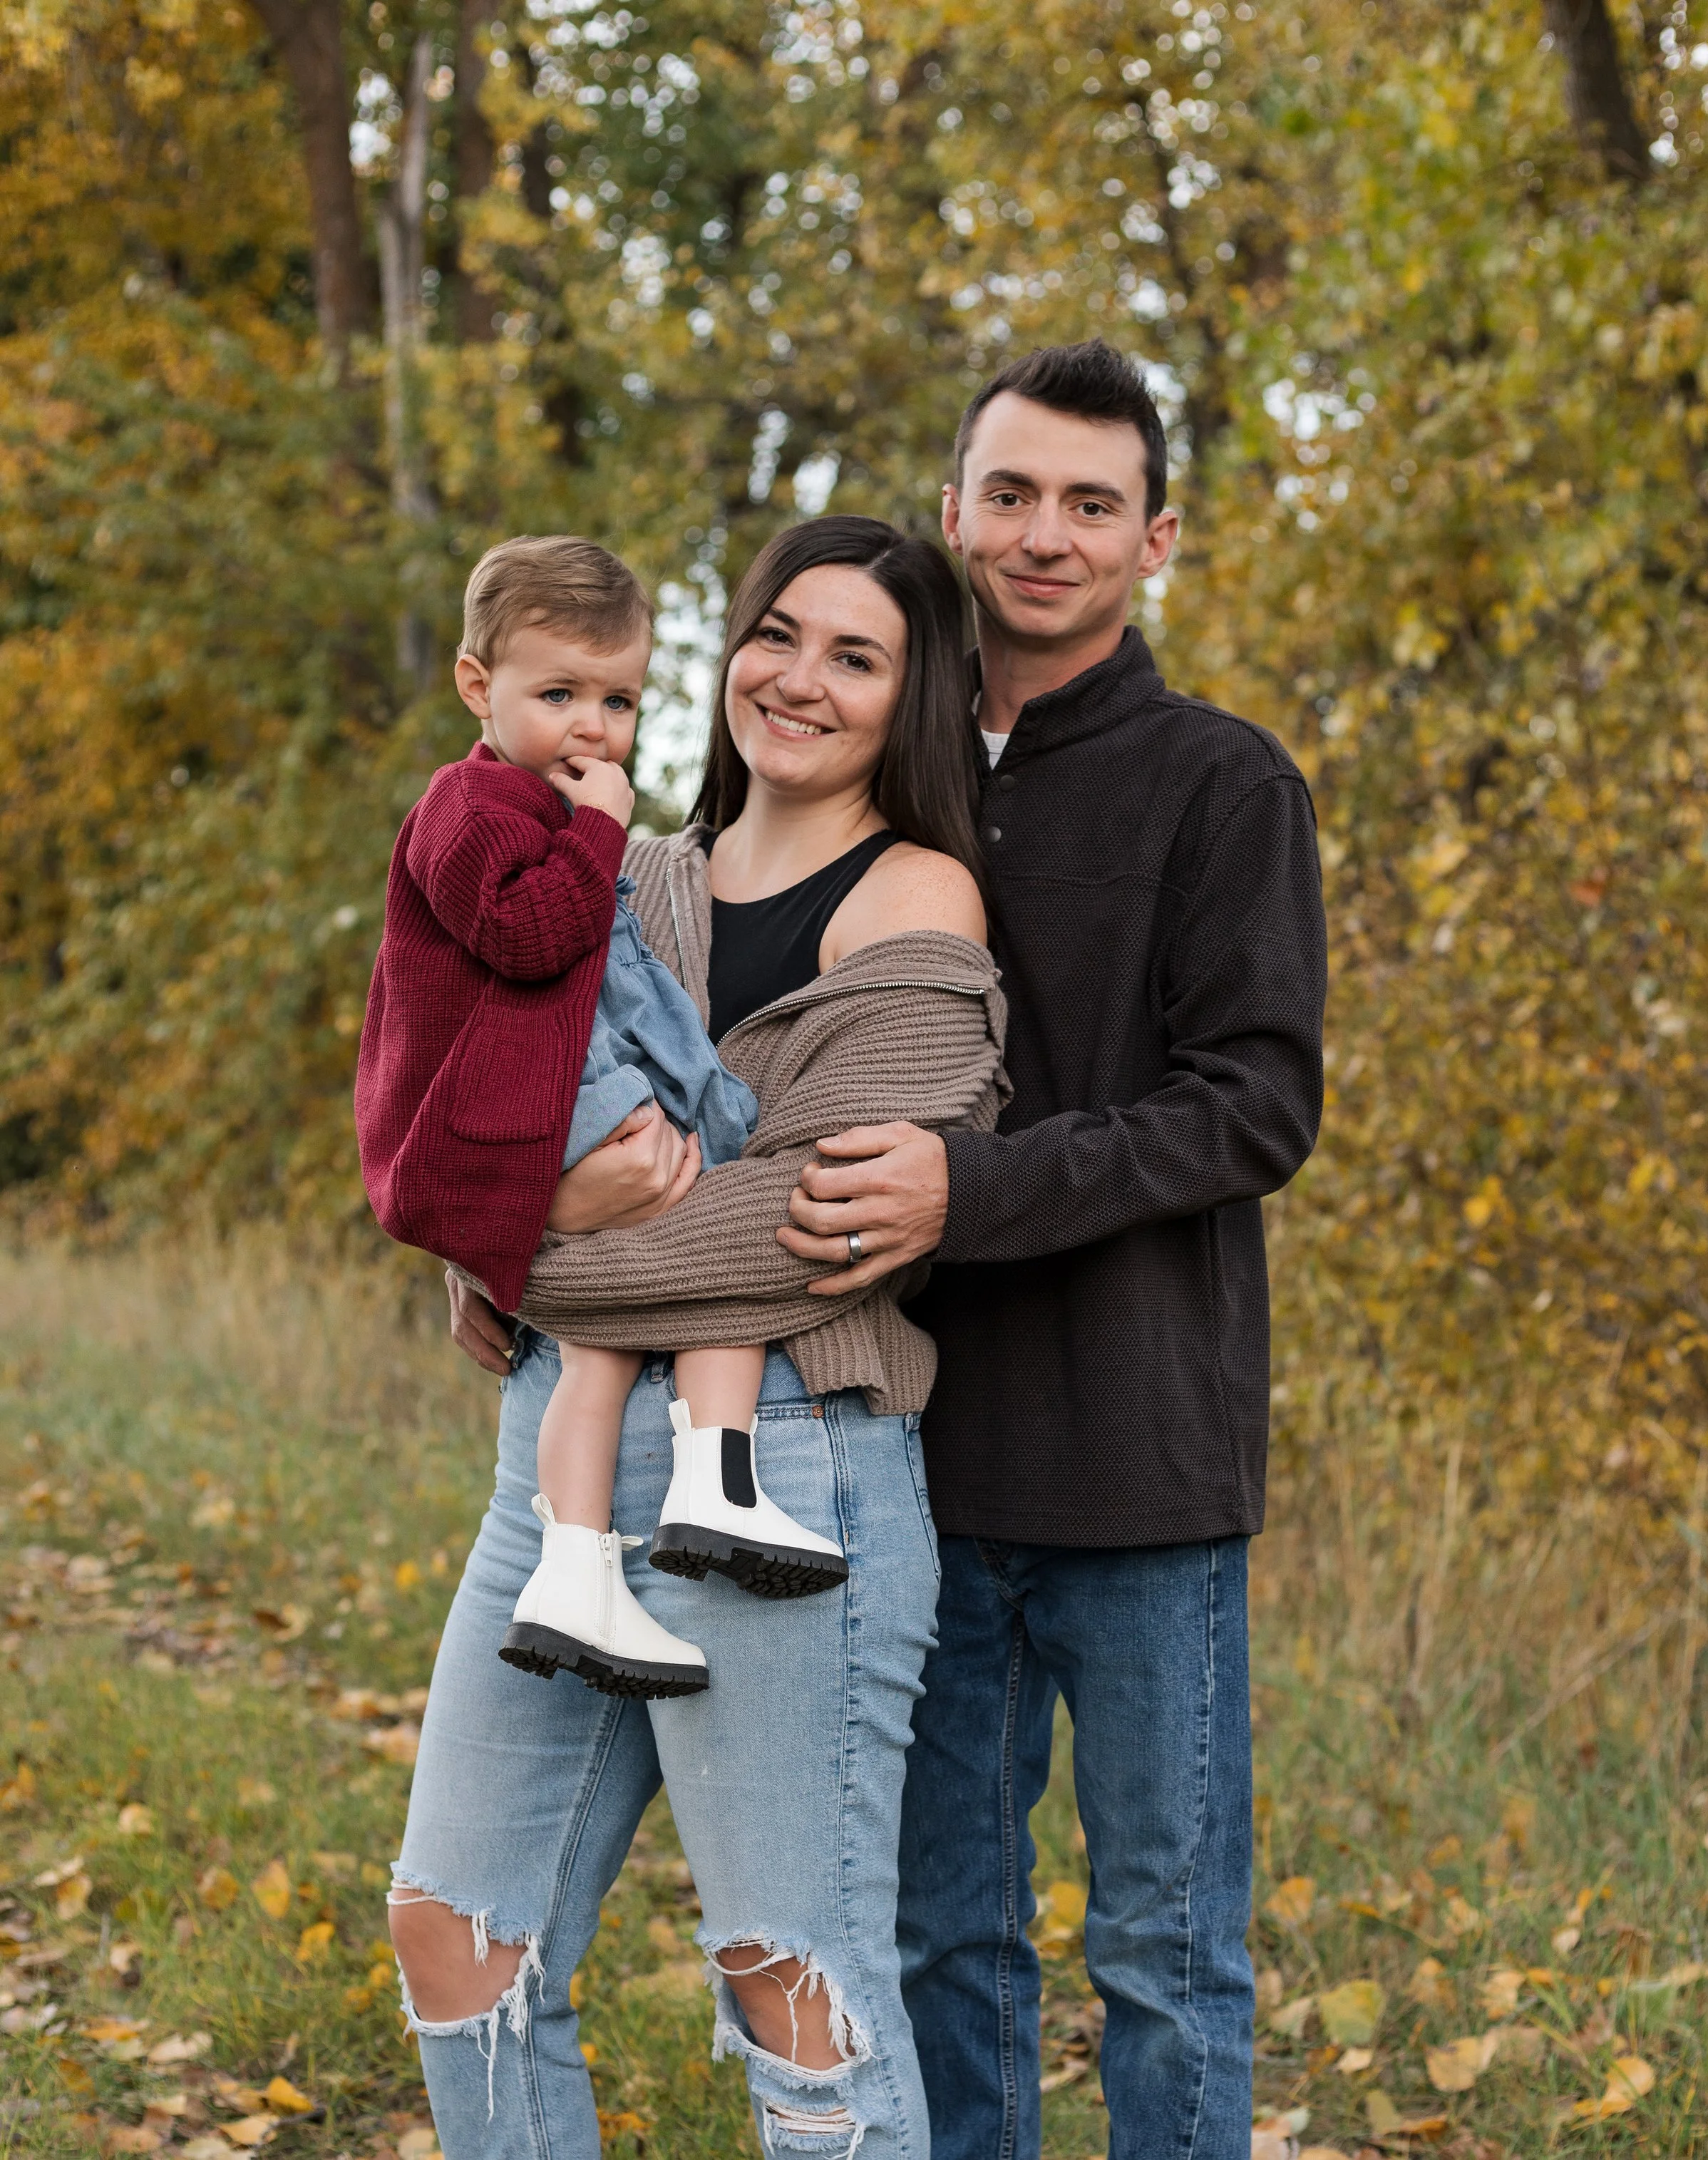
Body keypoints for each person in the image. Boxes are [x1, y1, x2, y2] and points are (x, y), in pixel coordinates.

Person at [773, 342, 1329, 2157]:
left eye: (1091, 502)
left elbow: (1252, 1105)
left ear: (1153, 538)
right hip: (904, 1457)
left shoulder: (1220, 785)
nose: (1043, 534)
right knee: (946, 1941)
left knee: (1166, 1953)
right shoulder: (879, 783)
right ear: (950, 512)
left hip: (1147, 1467)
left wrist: (965, 1190)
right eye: (1008, 493)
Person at [395, 515, 1007, 2160]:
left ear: (911, 697)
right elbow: (449, 1093)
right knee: (458, 1936)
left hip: (790, 1475)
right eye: (776, 634)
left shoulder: (917, 902)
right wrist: (515, 1201)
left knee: (786, 1983)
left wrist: (511, 1240)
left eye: (854, 656)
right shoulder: (620, 868)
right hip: (561, 1477)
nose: (797, 680)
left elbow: (802, 1236)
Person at [354, 535, 843, 1704]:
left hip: (591, 1080)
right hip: (539, 1099)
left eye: (618, 699)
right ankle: (663, 1505)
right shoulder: (469, 803)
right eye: (559, 693)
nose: (593, 725)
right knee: (697, 1250)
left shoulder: (550, 805)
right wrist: (600, 828)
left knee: (623, 1328)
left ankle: (641, 1526)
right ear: (480, 689)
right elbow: (530, 939)